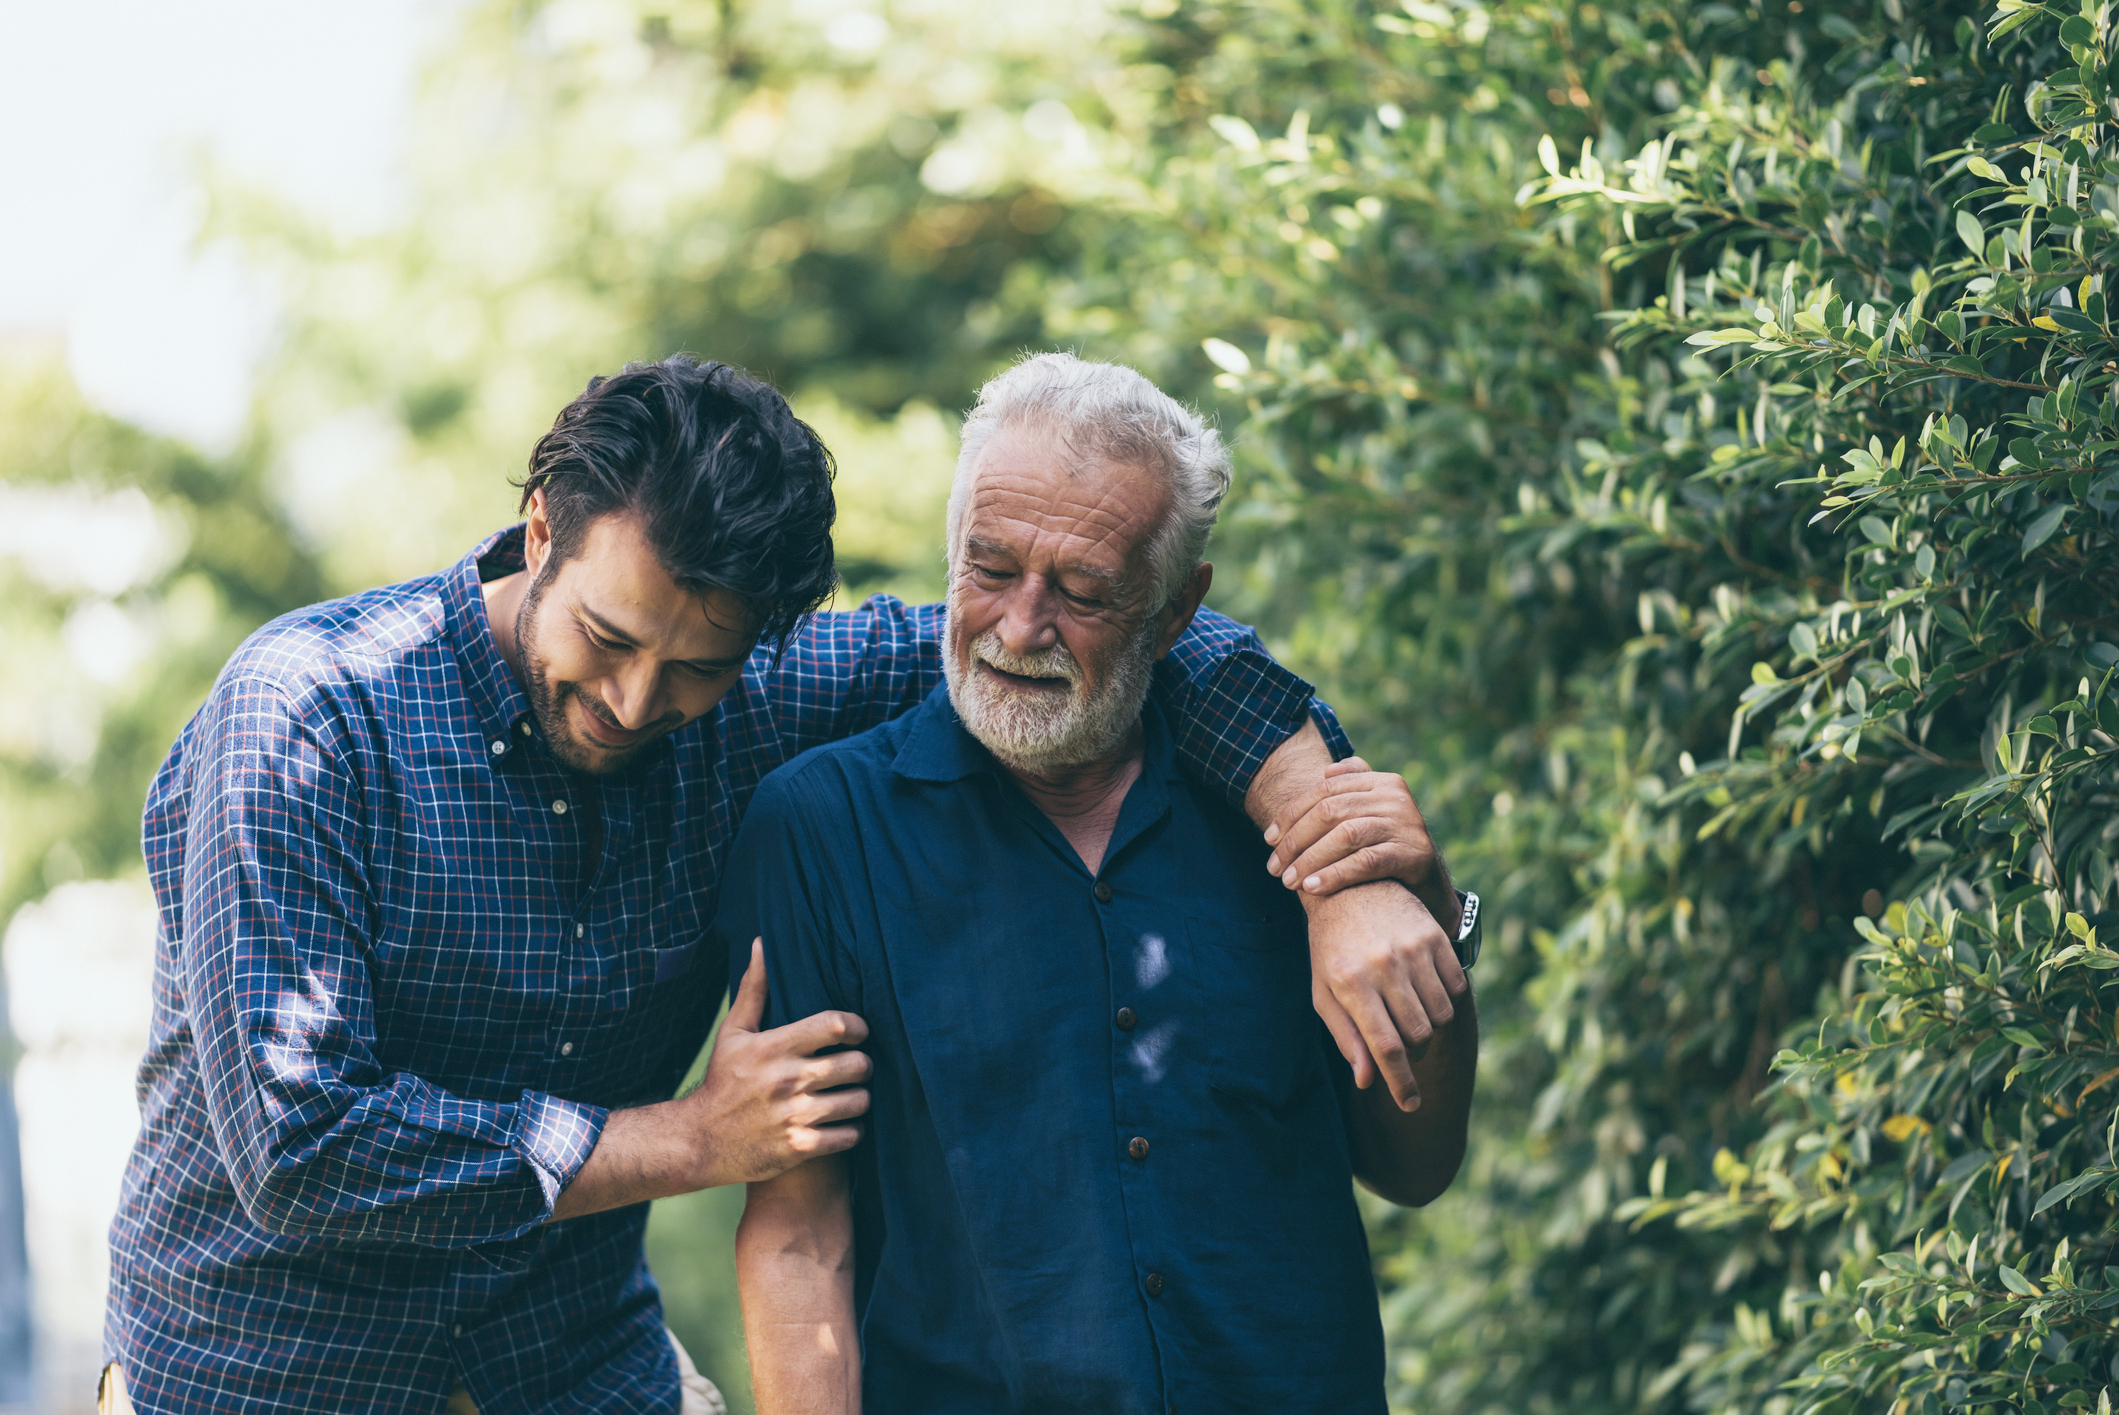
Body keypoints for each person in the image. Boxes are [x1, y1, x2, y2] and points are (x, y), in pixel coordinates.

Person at [100, 357, 1461, 1414]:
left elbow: (1149, 635)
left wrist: (1332, 852)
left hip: (566, 1367)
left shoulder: (760, 691)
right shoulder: (307, 719)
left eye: (694, 667)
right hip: (261, 1368)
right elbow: (299, 1144)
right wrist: (693, 1138)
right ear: (538, 533)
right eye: (607, 636)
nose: (636, 701)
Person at [724, 353, 1481, 1414]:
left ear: (1176, 612)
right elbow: (804, 1230)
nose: (1019, 627)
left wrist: (1423, 914)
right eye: (987, 569)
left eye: (1081, 592)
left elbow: (1413, 1164)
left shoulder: (1293, 811)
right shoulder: (821, 826)